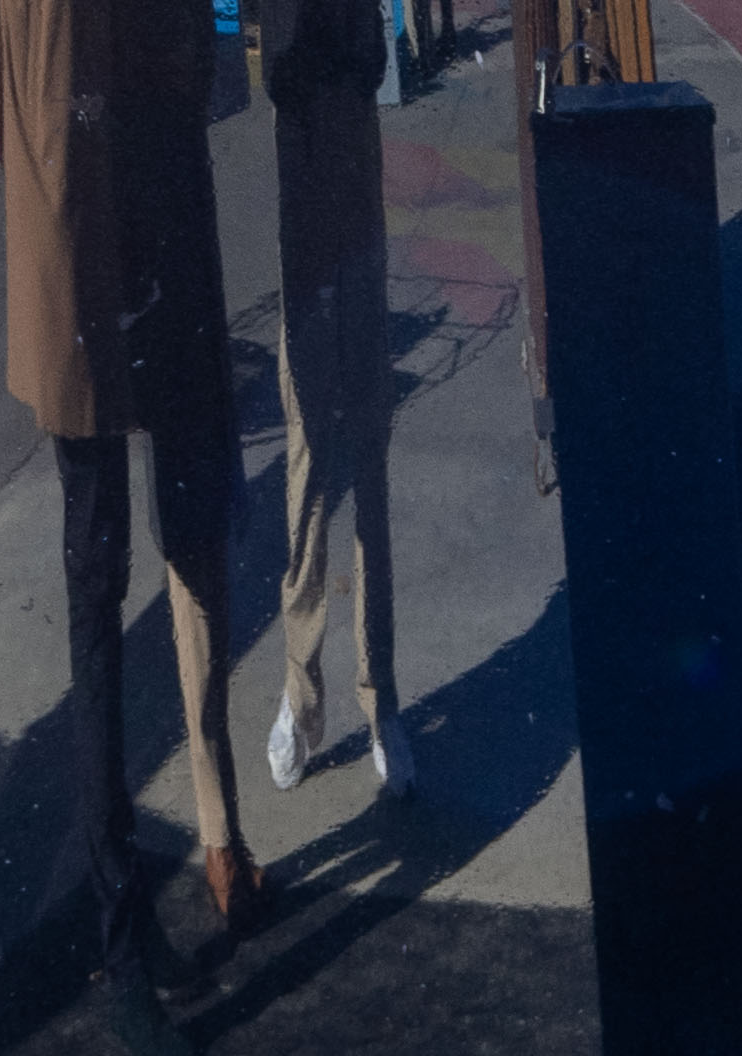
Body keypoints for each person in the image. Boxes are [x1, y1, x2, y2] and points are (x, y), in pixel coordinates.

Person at [0, 0, 263, 1056]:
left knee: (183, 535)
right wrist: (13, 125)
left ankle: (153, 903)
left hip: (161, 201)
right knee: (98, 586)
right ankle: (116, 935)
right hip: (77, 225)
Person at [254, 0, 407, 802]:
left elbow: (373, 62)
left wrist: (336, 58)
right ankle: (302, 696)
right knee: (311, 470)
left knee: (371, 462)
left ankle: (381, 701)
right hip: (310, 228)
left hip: (359, 209)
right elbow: (282, 70)